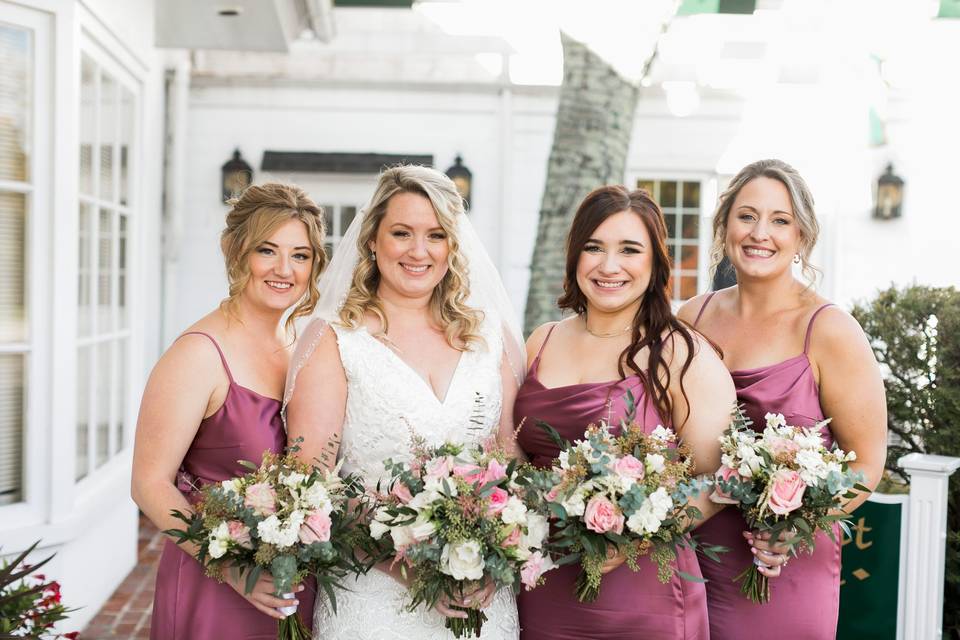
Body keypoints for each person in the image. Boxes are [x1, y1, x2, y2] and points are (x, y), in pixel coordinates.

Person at [284, 165, 525, 639]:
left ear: (452, 246)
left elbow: (512, 462)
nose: (419, 251)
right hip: (373, 600)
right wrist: (415, 574)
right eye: (401, 233)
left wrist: (500, 555)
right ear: (373, 239)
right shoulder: (336, 339)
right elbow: (313, 488)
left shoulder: (489, 337)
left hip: (482, 601)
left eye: (436, 235)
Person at [515, 185, 737, 640]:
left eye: (629, 250)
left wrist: (637, 533)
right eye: (593, 247)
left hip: (641, 590)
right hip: (542, 582)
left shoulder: (681, 353)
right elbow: (516, 450)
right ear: (575, 256)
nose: (608, 265)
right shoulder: (542, 340)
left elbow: (718, 480)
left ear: (655, 263)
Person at [678, 159, 887, 640]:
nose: (760, 233)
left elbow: (867, 463)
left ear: (801, 237)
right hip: (690, 555)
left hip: (781, 563)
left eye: (780, 220)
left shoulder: (830, 330)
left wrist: (796, 522)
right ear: (725, 225)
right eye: (746, 215)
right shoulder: (692, 318)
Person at [131, 183, 327, 639]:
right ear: (235, 250)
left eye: (300, 255)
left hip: (290, 582)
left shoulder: (301, 347)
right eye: (267, 250)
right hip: (216, 585)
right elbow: (148, 483)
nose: (285, 270)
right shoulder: (197, 355)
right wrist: (232, 570)